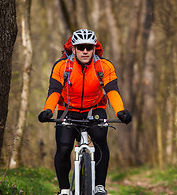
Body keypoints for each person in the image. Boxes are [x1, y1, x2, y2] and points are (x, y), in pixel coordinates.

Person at [38, 29, 132, 195]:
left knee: (101, 141)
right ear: (73, 49)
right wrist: (48, 110)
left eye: (89, 47)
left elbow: (112, 90)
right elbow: (54, 90)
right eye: (81, 47)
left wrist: (120, 111)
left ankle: (99, 187)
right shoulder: (62, 67)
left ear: (95, 48)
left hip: (94, 110)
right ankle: (65, 189)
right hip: (68, 110)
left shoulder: (104, 66)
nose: (85, 51)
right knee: (64, 148)